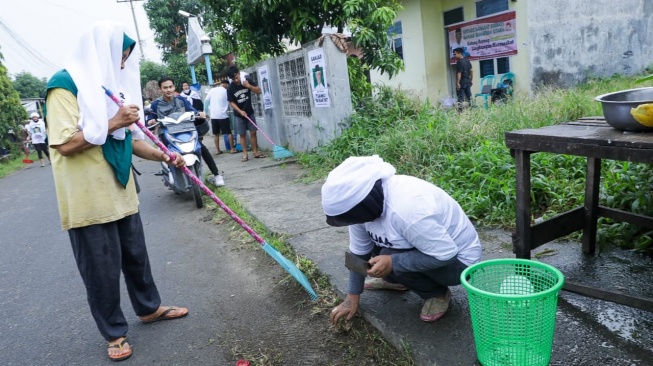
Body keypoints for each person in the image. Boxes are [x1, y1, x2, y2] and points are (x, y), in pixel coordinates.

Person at [44, 22, 189, 362]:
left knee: (136, 256)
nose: (123, 65)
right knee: (101, 268)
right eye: (120, 58)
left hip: (120, 188)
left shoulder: (110, 88)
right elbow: (65, 144)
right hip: (87, 197)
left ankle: (149, 308)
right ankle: (114, 333)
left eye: (125, 60)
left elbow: (133, 140)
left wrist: (166, 155)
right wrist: (113, 122)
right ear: (102, 55)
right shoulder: (63, 86)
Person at [322, 156, 482, 324]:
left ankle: (437, 294)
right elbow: (358, 254)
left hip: (458, 264)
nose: (355, 222)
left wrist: (393, 262)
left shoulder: (408, 209)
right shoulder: (360, 208)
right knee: (378, 248)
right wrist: (352, 297)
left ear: (366, 202)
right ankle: (395, 281)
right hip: (422, 246)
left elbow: (446, 255)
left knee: (388, 254)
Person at [148, 77, 225, 186]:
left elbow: (192, 110)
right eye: (165, 87)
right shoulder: (155, 104)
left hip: (186, 130)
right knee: (167, 153)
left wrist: (199, 113)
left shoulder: (181, 100)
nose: (168, 90)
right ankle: (170, 172)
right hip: (167, 133)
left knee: (201, 148)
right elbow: (151, 117)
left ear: (174, 87)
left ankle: (216, 175)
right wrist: (151, 120)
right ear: (160, 89)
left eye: (170, 87)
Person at [226, 65, 266, 162]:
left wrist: (248, 86)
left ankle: (255, 152)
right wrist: (240, 111)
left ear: (239, 73)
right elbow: (231, 102)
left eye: (236, 77)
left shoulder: (247, 80)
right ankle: (245, 154)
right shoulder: (230, 88)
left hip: (249, 112)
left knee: (253, 132)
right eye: (233, 79)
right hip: (239, 114)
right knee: (242, 134)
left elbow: (259, 91)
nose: (236, 80)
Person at [205, 79, 236, 155]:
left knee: (216, 134)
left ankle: (217, 150)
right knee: (228, 132)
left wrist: (205, 112)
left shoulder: (212, 90)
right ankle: (232, 149)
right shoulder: (226, 91)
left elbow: (206, 101)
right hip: (223, 115)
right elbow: (231, 101)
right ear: (226, 84)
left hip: (214, 115)